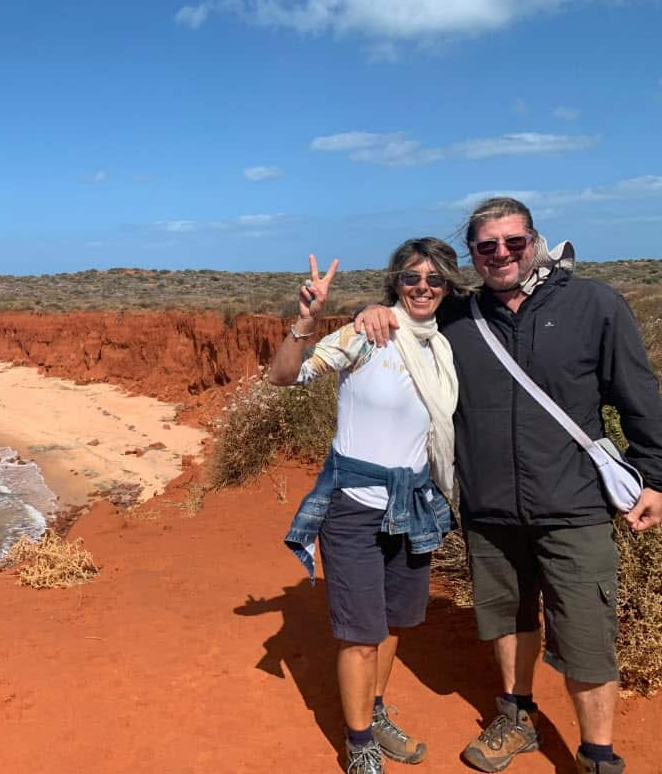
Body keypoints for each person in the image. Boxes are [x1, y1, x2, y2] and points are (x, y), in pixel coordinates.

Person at [355, 197, 662, 774]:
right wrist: (373, 309)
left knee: (587, 633)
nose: (501, 254)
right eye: (486, 246)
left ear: (535, 241)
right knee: (506, 617)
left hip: (574, 506)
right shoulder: (458, 318)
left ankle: (598, 754)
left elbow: (639, 396)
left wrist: (657, 477)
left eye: (513, 243)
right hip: (489, 508)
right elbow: (406, 313)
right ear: (471, 255)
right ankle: (516, 716)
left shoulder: (594, 305)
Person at [268, 238, 467, 774]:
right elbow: (285, 376)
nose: (422, 287)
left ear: (448, 287)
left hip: (415, 503)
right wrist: (305, 321)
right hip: (354, 506)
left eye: (434, 279)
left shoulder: (444, 346)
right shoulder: (367, 333)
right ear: (395, 282)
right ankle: (360, 744)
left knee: (395, 623)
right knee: (361, 633)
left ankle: (375, 713)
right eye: (411, 278)